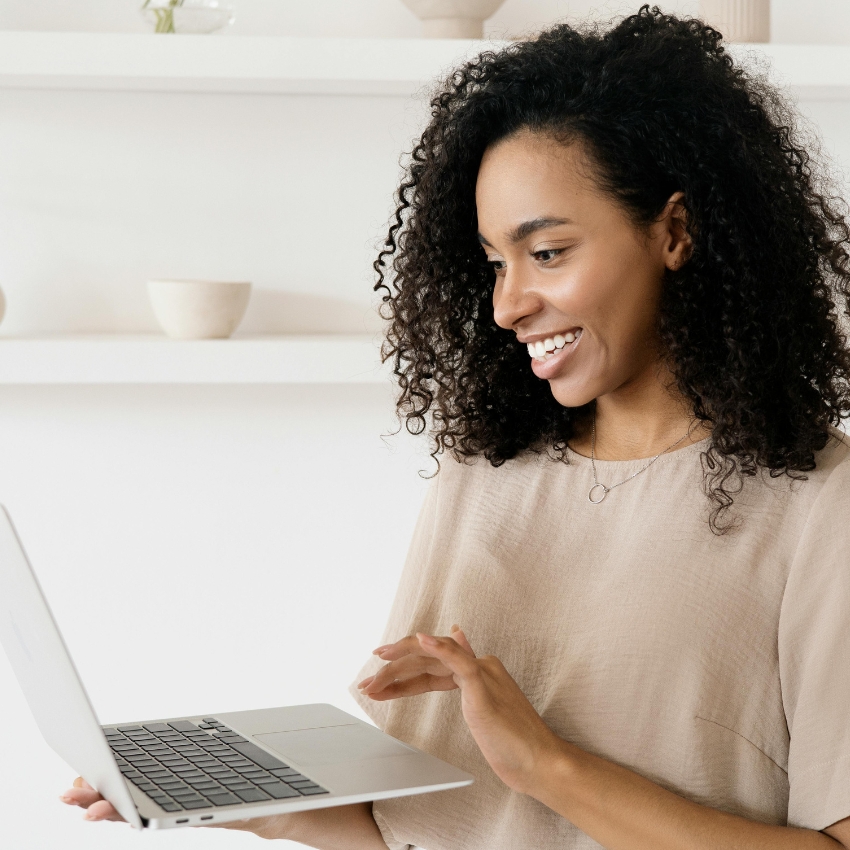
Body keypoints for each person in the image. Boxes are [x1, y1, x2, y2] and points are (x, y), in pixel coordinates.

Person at [61, 6, 850, 849]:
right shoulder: (486, 472)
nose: (510, 305)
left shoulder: (818, 505)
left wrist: (546, 765)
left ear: (675, 231)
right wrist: (251, 797)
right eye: (494, 264)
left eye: (547, 253)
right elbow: (418, 825)